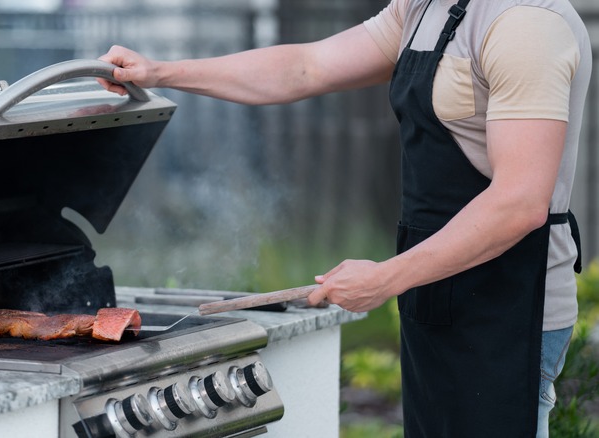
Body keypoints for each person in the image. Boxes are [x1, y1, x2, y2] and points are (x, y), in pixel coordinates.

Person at [97, 0, 591, 436]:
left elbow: (520, 201)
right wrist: (161, 72)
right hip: (439, 292)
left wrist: (385, 278)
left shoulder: (524, 23)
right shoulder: (421, 8)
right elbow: (305, 68)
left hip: (511, 306)